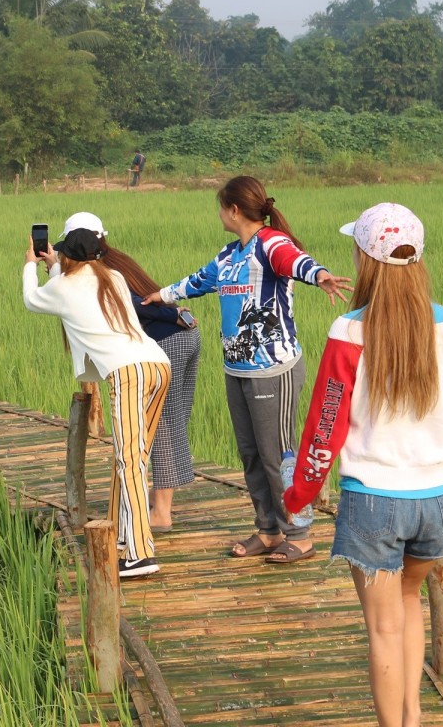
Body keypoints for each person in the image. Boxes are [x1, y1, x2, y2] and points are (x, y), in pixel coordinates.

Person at [284, 203, 443, 727]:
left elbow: (325, 421)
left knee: (383, 629)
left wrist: (299, 495)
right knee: (410, 602)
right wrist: (436, 446)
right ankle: (413, 718)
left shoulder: (350, 331)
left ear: (365, 257)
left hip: (373, 501)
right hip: (439, 501)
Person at [143, 176, 352, 562]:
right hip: (237, 369)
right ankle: (268, 529)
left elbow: (295, 261)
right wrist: (161, 296)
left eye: (221, 206)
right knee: (251, 453)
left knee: (278, 454)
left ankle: (301, 533)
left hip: (274, 369)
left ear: (233, 210)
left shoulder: (270, 243)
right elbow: (200, 280)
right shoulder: (229, 256)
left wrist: (319, 275)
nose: (219, 213)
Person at [24, 227, 171, 579]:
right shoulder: (114, 276)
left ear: (69, 256)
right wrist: (55, 265)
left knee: (130, 460)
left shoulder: (63, 285)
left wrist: (32, 264)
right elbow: (79, 288)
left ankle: (139, 553)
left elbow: (32, 300)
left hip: (128, 374)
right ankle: (124, 536)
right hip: (158, 366)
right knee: (133, 457)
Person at [68, 212, 201, 532]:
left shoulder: (103, 270)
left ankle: (162, 514)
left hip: (167, 340)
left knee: (164, 425)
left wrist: (173, 316)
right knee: (172, 419)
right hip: (185, 338)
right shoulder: (114, 259)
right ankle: (161, 498)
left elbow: (134, 303)